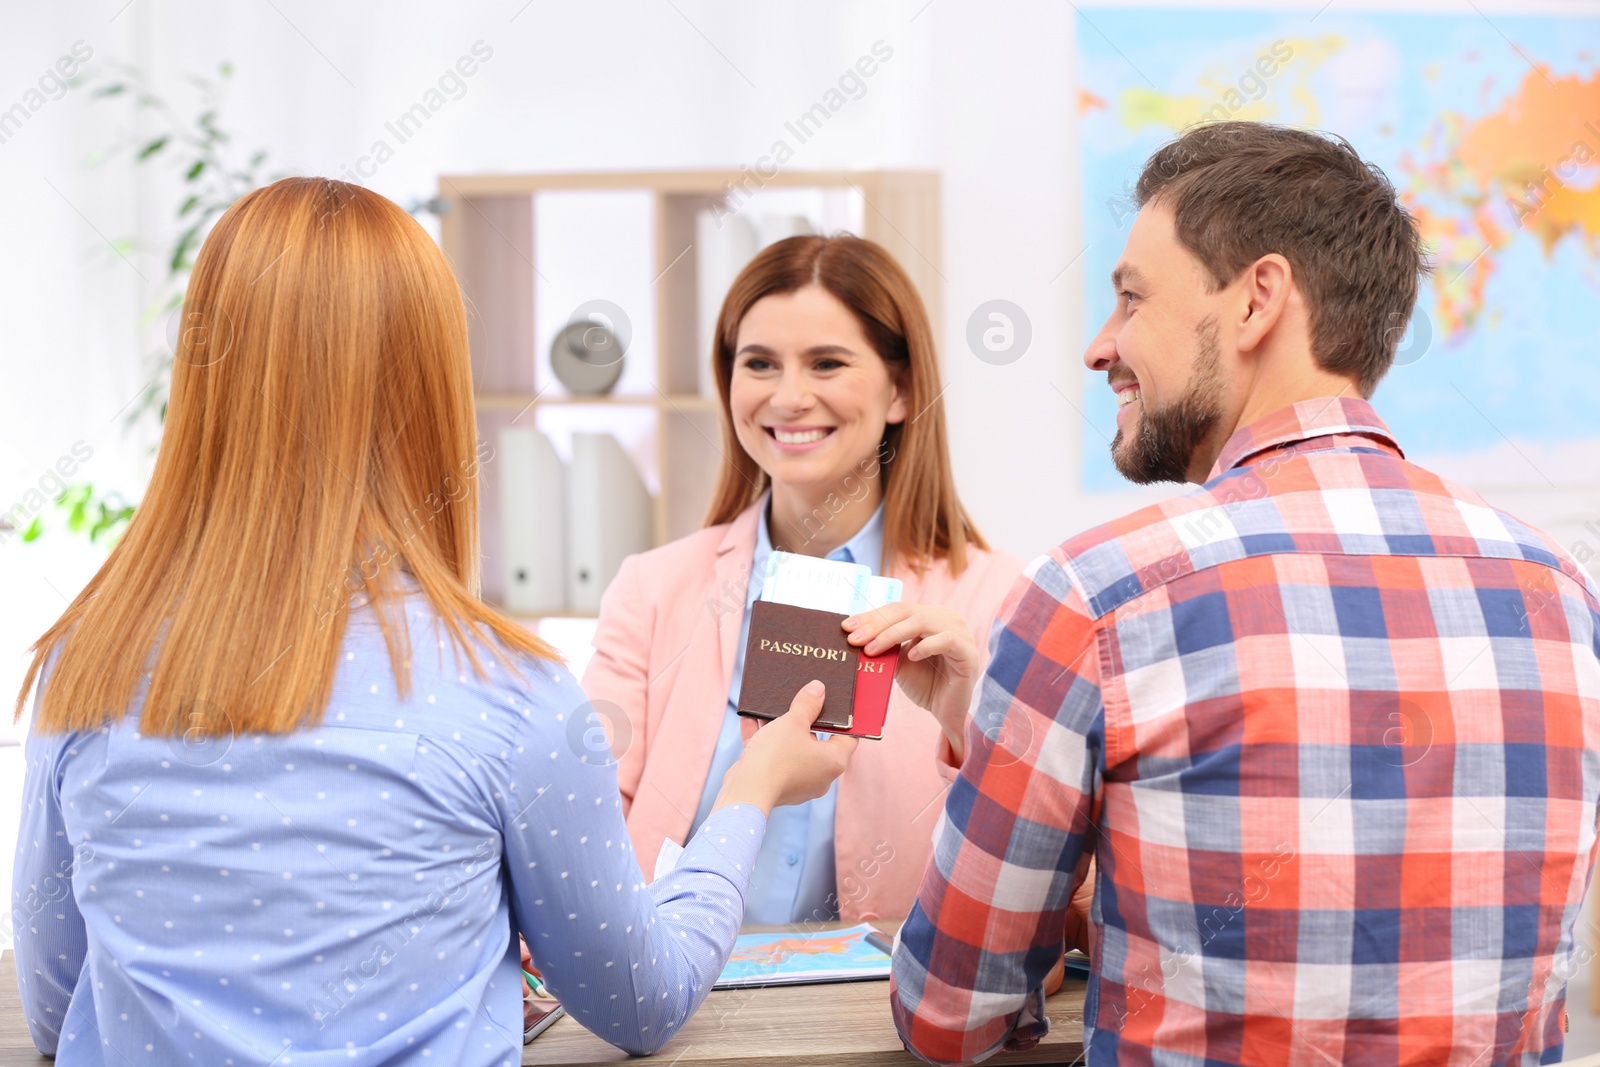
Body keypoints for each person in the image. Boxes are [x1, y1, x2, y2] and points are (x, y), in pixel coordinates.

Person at [11, 177, 854, 1066]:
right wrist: (751, 790)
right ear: (429, 390)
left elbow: (59, 1004)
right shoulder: (506, 691)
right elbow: (641, 1000)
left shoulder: (85, 666)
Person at [890, 121, 1600, 1066]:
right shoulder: (1560, 593)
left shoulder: (1097, 594)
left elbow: (949, 1012)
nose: (1100, 348)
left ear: (1258, 299)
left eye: (1132, 299)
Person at [582, 234, 1028, 929]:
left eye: (827, 363)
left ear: (901, 390)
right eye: (759, 363)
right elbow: (584, 829)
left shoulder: (999, 598)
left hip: (880, 1015)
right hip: (679, 1005)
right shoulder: (652, 590)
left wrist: (962, 725)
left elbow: (1046, 878)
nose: (789, 397)